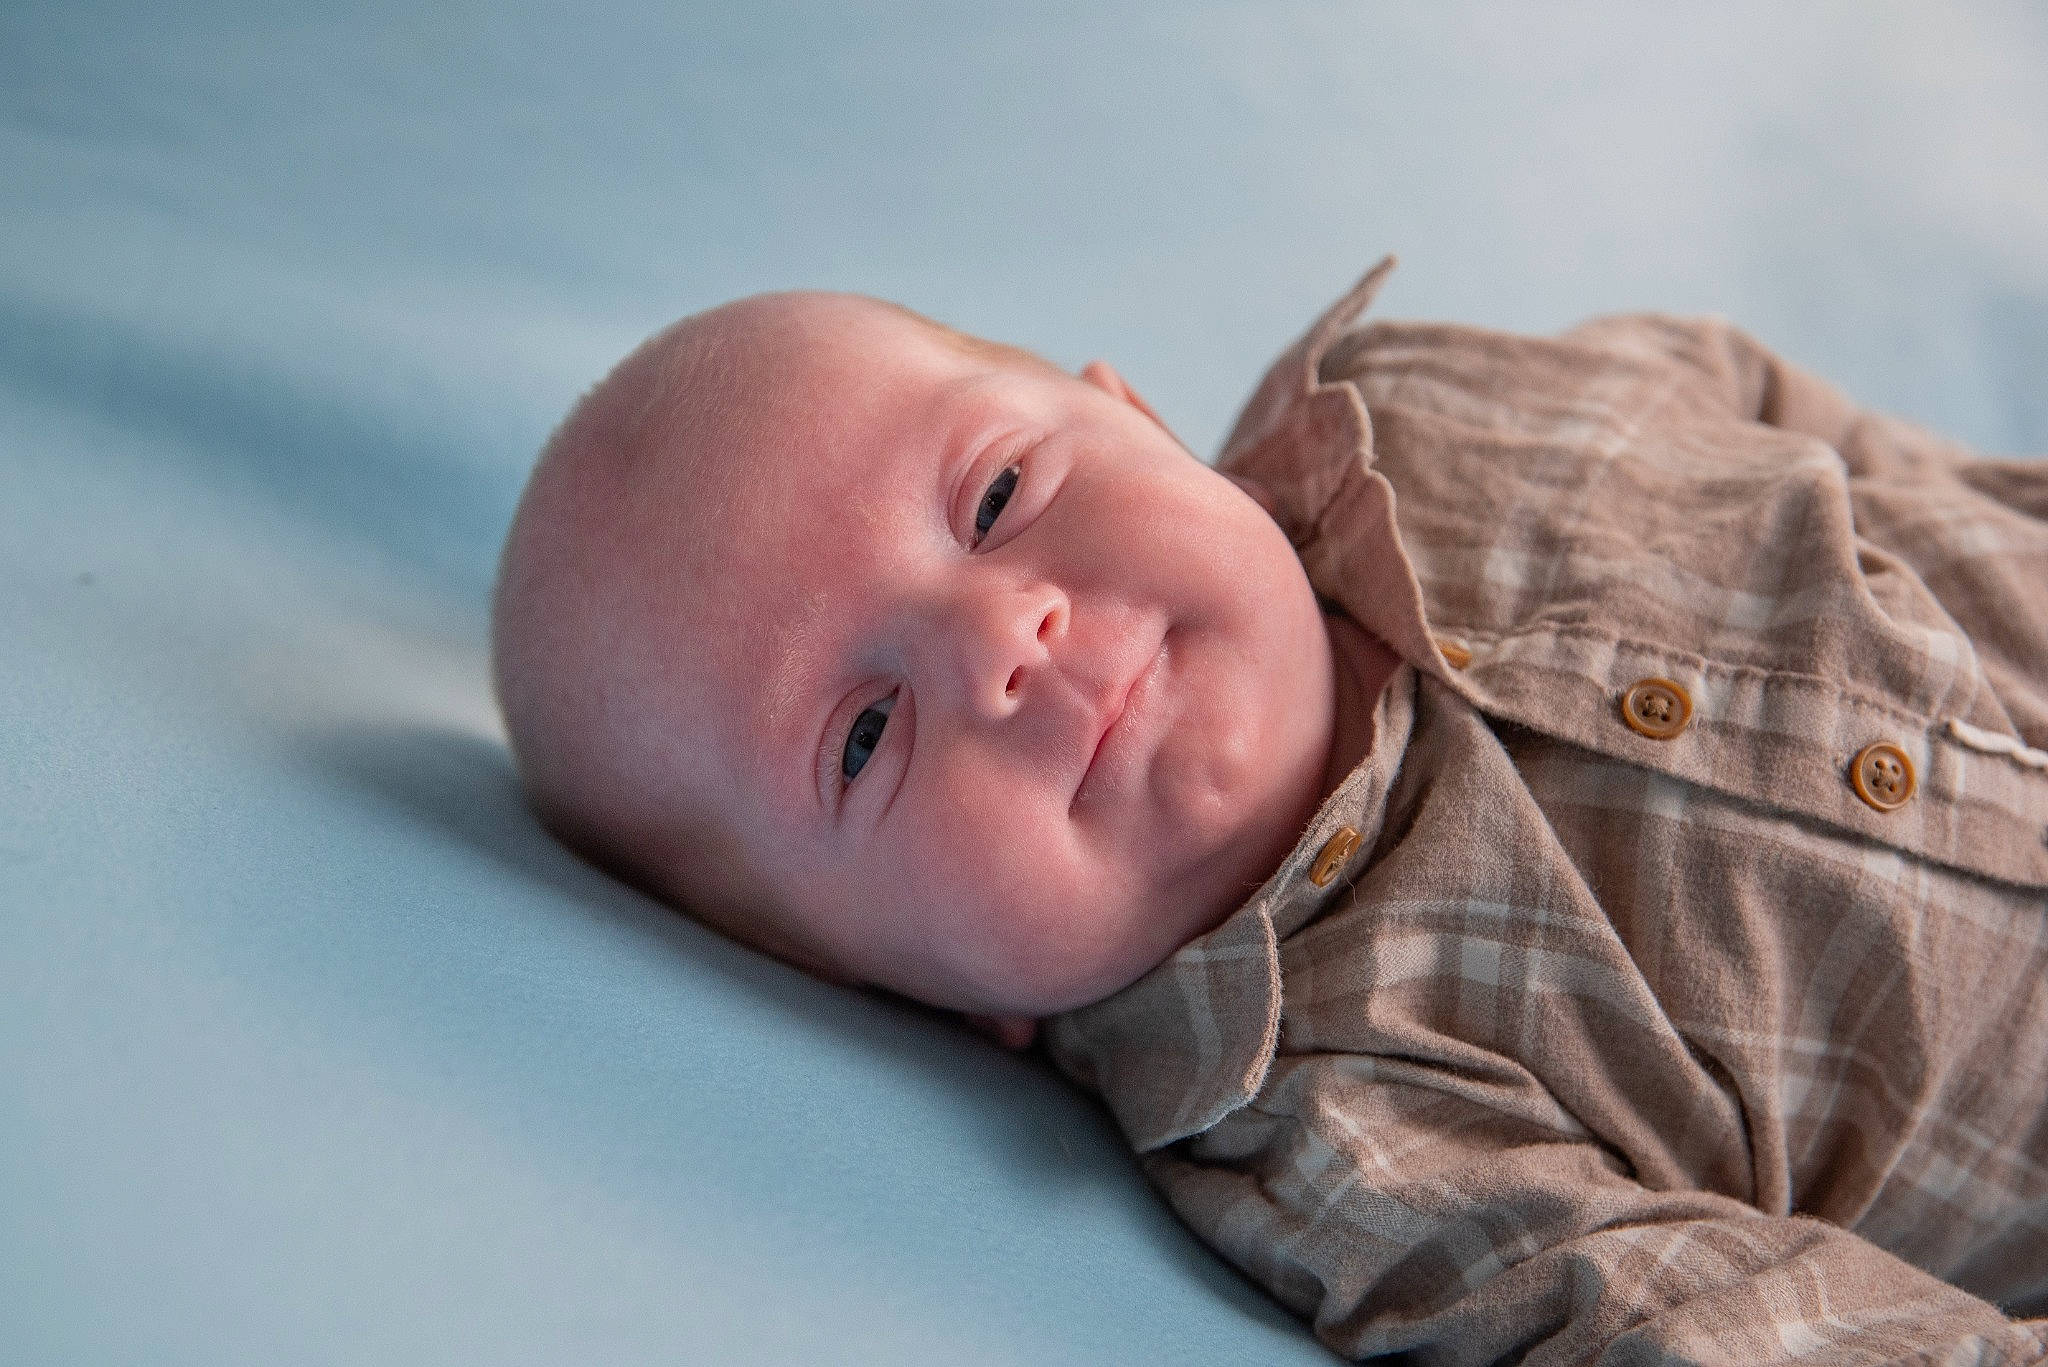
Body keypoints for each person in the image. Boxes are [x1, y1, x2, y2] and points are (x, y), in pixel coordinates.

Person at [492, 256, 2048, 1363]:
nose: (1001, 644)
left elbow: (1759, 401)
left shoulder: (1432, 404)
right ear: (917, 994)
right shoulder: (1350, 1142)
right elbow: (1739, 1333)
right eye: (862, 740)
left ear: (1139, 420)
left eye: (992, 501)